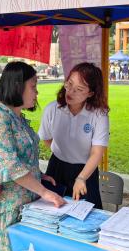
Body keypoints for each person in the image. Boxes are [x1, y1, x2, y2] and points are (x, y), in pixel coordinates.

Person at [0, 62, 65, 251]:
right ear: (17, 86)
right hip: (6, 206)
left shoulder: (17, 116)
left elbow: (23, 157)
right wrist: (45, 192)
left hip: (25, 203)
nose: (37, 92)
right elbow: (10, 165)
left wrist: (39, 175)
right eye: (33, 86)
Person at [38, 62, 109, 207]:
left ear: (91, 93)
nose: (70, 92)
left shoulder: (99, 115)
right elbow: (46, 138)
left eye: (79, 89)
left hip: (85, 170)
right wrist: (61, 152)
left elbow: (97, 152)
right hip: (57, 167)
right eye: (69, 84)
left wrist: (82, 178)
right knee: (53, 209)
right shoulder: (52, 109)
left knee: (86, 212)